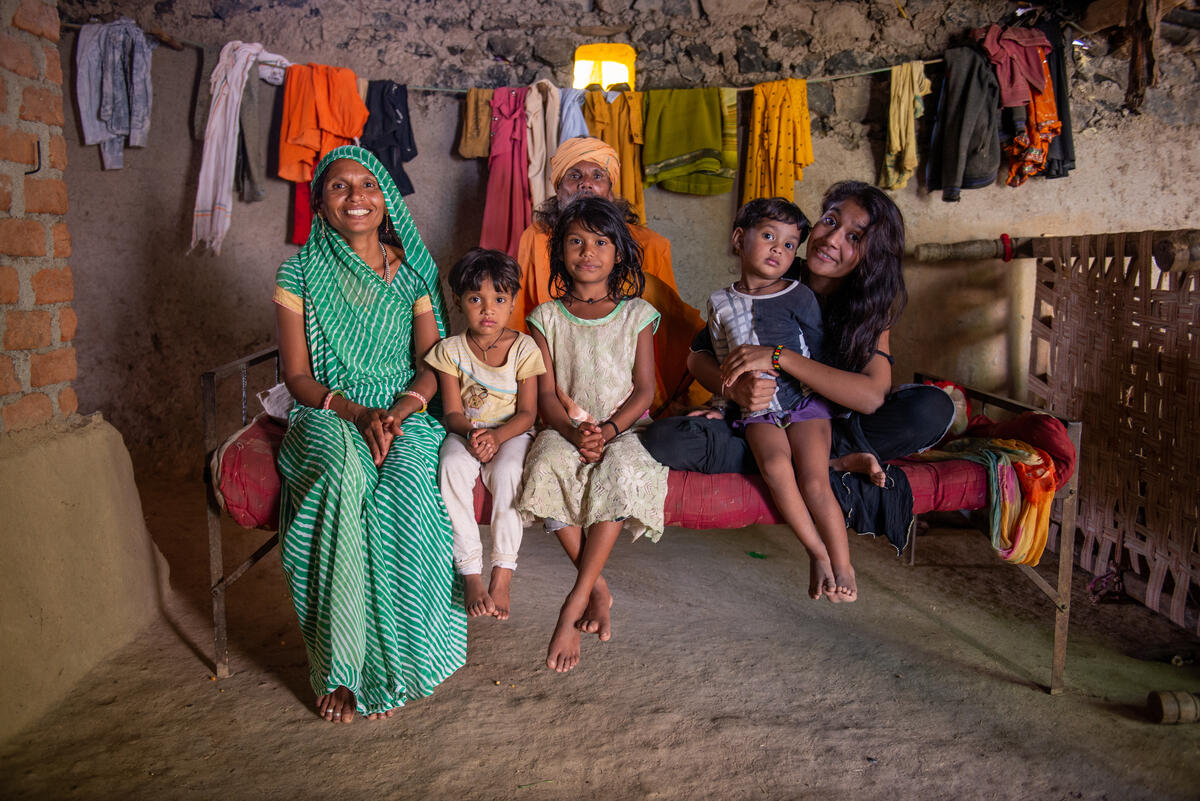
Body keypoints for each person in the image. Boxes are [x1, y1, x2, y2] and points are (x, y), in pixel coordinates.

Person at [273, 146, 466, 724]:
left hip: (404, 410)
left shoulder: (411, 276)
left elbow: (432, 363)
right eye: (339, 187)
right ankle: (342, 669)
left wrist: (402, 410)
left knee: (407, 486)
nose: (356, 196)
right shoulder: (298, 272)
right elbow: (296, 376)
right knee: (343, 475)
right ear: (320, 205)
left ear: (385, 202)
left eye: (368, 185)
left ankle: (404, 664)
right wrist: (357, 414)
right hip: (331, 409)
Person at [645, 181, 954, 497]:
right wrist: (734, 391)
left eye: (853, 237)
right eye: (830, 221)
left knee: (931, 408)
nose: (831, 239)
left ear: (872, 253)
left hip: (829, 428)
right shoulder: (776, 277)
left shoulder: (869, 306)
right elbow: (697, 356)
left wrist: (780, 357)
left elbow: (872, 396)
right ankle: (821, 466)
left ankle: (809, 461)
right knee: (664, 439)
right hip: (763, 424)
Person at [517, 196, 668, 673]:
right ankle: (598, 588)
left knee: (622, 470)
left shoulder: (637, 313)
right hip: (566, 427)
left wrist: (607, 430)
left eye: (601, 242)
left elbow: (644, 390)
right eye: (576, 242)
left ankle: (573, 600)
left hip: (623, 425)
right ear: (559, 251)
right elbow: (544, 397)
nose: (588, 251)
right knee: (545, 464)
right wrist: (574, 431)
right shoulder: (545, 317)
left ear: (618, 252)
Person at [706, 197, 855, 601]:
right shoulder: (719, 304)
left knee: (813, 478)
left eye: (790, 245)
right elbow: (725, 365)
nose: (778, 249)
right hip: (756, 410)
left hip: (804, 403)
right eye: (769, 236)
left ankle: (843, 565)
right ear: (739, 239)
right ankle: (817, 552)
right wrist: (722, 405)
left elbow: (819, 356)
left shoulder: (798, 295)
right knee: (774, 465)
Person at [510, 136, 707, 413]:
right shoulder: (537, 238)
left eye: (598, 175)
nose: (586, 183)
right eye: (574, 175)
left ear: (610, 191)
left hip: (632, 379)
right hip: (555, 378)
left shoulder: (650, 244)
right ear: (559, 190)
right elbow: (520, 315)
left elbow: (667, 331)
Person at [425, 248, 545, 620]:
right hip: (468, 433)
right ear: (460, 303)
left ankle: (503, 573)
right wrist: (474, 435)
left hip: (511, 434)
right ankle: (470, 571)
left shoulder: (524, 347)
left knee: (509, 473)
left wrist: (498, 437)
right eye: (476, 299)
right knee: (449, 465)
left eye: (499, 299)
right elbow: (452, 413)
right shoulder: (450, 350)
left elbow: (528, 413)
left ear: (512, 303)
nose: (487, 309)